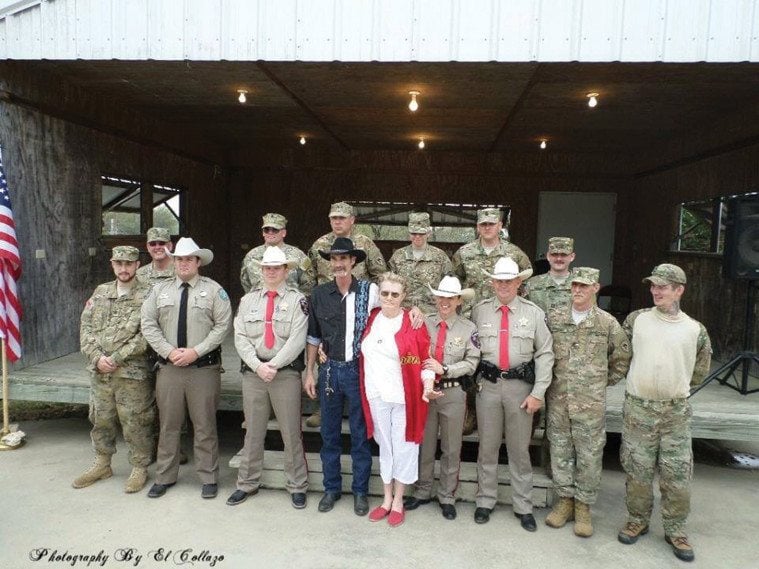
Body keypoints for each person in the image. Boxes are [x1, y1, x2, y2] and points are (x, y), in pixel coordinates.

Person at [617, 264, 711, 563]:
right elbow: (621, 355)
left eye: (663, 286)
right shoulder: (637, 320)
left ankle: (676, 529)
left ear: (679, 290)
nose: (655, 291)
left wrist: (671, 388)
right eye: (653, 286)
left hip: (675, 412)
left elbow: (699, 373)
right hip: (638, 408)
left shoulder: (695, 330)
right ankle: (637, 519)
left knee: (677, 474)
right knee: (638, 469)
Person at [141, 237, 232, 499]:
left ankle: (208, 477)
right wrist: (168, 351)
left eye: (189, 259)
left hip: (203, 369)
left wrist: (196, 351)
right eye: (179, 259)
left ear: (198, 262)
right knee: (169, 425)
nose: (183, 264)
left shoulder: (215, 291)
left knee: (204, 425)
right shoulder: (160, 291)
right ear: (174, 261)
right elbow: (148, 324)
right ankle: (165, 476)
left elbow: (222, 326)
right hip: (169, 369)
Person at [544, 267, 631, 537]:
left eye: (585, 286)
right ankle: (565, 502)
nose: (578, 290)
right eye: (575, 286)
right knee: (560, 452)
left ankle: (583, 507)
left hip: (590, 405)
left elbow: (622, 358)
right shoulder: (555, 318)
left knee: (590, 456)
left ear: (596, 288)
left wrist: (600, 382)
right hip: (559, 401)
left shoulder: (607, 323)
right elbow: (544, 352)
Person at [471, 257, 553, 531]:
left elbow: (545, 353)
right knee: (488, 447)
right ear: (492, 283)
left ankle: (523, 505)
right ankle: (485, 500)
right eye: (499, 280)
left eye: (509, 280)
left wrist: (538, 392)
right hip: (489, 386)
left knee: (520, 450)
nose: (504, 285)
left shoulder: (533, 313)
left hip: (521, 388)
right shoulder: (479, 311)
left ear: (519, 283)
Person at [227, 247, 309, 509]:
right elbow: (239, 336)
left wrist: (272, 365)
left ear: (286, 271)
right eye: (267, 268)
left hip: (284, 374)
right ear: (260, 271)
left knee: (291, 432)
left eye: (276, 267)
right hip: (254, 374)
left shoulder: (298, 301)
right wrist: (257, 366)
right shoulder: (248, 301)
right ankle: (246, 484)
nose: (271, 272)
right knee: (253, 431)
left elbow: (297, 339)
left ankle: (297, 485)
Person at [304, 237, 378, 516]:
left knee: (360, 434)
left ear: (353, 261)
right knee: (329, 434)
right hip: (330, 370)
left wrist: (416, 311)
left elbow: (393, 310)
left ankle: (360, 491)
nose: (338, 264)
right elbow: (313, 336)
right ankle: (331, 488)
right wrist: (310, 371)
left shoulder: (369, 292)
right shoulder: (319, 294)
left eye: (343, 258)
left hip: (359, 369)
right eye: (334, 259)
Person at [74, 246, 155, 493]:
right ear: (112, 264)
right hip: (100, 372)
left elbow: (148, 334)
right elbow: (85, 327)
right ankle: (102, 463)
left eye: (128, 264)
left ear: (137, 265)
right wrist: (98, 358)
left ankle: (139, 467)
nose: (123, 268)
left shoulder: (149, 294)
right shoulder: (101, 292)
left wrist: (117, 357)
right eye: (119, 263)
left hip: (132, 372)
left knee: (136, 420)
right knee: (101, 418)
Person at [358, 272, 435, 527]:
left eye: (395, 294)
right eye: (385, 293)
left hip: (404, 397)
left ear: (403, 297)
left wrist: (427, 384)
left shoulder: (413, 323)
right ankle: (386, 498)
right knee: (385, 446)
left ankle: (400, 500)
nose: (389, 298)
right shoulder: (371, 318)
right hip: (376, 395)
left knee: (404, 447)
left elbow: (423, 360)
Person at [305, 201, 387, 428]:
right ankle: (323, 407)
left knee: (355, 362)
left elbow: (381, 274)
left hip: (357, 305)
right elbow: (308, 277)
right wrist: (313, 306)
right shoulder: (319, 244)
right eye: (334, 218)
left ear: (352, 220)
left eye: (342, 217)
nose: (337, 221)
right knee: (326, 356)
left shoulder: (365, 244)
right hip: (326, 306)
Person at [405, 276, 480, 520]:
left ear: (458, 300)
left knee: (451, 446)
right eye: (440, 297)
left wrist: (446, 369)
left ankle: (447, 495)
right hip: (425, 392)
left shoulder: (468, 328)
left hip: (452, 391)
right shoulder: (424, 322)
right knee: (425, 444)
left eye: (449, 298)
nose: (444, 302)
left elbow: (472, 362)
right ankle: (423, 490)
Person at [452, 207, 532, 435]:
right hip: (472, 319)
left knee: (497, 364)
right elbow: (455, 282)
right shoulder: (464, 253)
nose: (487, 227)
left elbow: (525, 282)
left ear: (500, 226)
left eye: (491, 223)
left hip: (504, 320)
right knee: (471, 366)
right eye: (483, 224)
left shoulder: (514, 254)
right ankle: (470, 416)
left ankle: (500, 417)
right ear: (478, 227)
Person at [388, 212, 452, 316]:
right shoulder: (398, 256)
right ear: (409, 233)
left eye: (421, 233)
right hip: (403, 313)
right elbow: (390, 284)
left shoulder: (440, 256)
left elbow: (449, 285)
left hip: (432, 314)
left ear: (428, 233)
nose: (417, 236)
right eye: (413, 233)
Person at [240, 212, 314, 296]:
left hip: (289, 305)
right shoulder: (251, 256)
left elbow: (308, 284)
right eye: (266, 230)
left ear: (284, 233)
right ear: (263, 233)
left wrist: (295, 300)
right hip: (259, 304)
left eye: (275, 230)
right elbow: (245, 282)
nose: (270, 233)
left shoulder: (298, 255)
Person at [524, 237, 576, 313]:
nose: (559, 259)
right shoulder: (532, 284)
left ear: (572, 257)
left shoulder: (582, 286)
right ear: (548, 256)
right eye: (554, 254)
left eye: (563, 255)